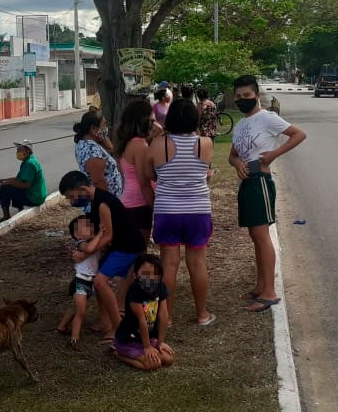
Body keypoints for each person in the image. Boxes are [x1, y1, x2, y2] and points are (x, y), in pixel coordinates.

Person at [228, 75, 307, 313]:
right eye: (239, 97)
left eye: (247, 96)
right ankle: (260, 285)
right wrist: (236, 163)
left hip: (261, 181)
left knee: (262, 237)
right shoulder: (241, 124)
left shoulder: (268, 118)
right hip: (247, 182)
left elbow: (298, 134)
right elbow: (232, 154)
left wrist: (274, 154)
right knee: (255, 236)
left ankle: (270, 293)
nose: (243, 100)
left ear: (257, 96)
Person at [59, 171, 147, 343]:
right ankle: (105, 322)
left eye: (72, 197)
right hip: (118, 247)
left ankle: (118, 328)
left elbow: (108, 236)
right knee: (97, 281)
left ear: (82, 189)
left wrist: (84, 253)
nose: (72, 202)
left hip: (128, 247)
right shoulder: (93, 202)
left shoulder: (102, 203)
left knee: (100, 281)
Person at [149, 98, 215, 326]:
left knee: (168, 264)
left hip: (167, 210)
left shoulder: (158, 145)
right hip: (197, 210)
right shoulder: (205, 143)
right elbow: (204, 170)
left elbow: (152, 173)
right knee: (197, 262)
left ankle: (165, 317)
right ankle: (202, 314)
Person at [112, 253, 175, 371]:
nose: (150, 278)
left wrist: (160, 342)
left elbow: (163, 315)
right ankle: (118, 353)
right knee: (153, 365)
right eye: (145, 274)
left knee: (168, 359)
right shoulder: (135, 291)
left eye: (155, 274)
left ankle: (148, 347)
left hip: (149, 338)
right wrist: (147, 347)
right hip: (130, 339)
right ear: (136, 275)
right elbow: (142, 320)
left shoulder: (161, 287)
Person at [55, 215, 103, 348]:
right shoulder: (80, 244)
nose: (90, 227)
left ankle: (62, 326)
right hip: (80, 281)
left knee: (74, 307)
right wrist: (99, 235)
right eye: (86, 226)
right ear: (76, 234)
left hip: (90, 281)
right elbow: (89, 249)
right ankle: (74, 339)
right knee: (81, 311)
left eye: (91, 224)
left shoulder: (94, 241)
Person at [115, 100, 157, 244]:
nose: (154, 121)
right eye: (152, 118)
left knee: (132, 250)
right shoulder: (140, 145)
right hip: (139, 204)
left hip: (128, 200)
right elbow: (144, 182)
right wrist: (155, 208)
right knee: (139, 252)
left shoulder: (126, 141)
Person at [0, 140, 47, 222]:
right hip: (36, 195)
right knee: (9, 185)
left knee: (6, 188)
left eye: (19, 150)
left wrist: (6, 183)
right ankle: (20, 209)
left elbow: (26, 185)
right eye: (17, 151)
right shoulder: (29, 161)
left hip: (34, 198)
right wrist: (0, 180)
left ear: (28, 151)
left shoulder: (30, 163)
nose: (17, 153)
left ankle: (6, 216)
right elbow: (18, 179)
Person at [74, 110, 123, 197]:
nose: (106, 128)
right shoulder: (91, 151)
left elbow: (110, 148)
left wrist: (102, 135)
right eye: (104, 125)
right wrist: (108, 203)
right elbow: (99, 182)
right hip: (107, 201)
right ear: (93, 129)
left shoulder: (87, 143)